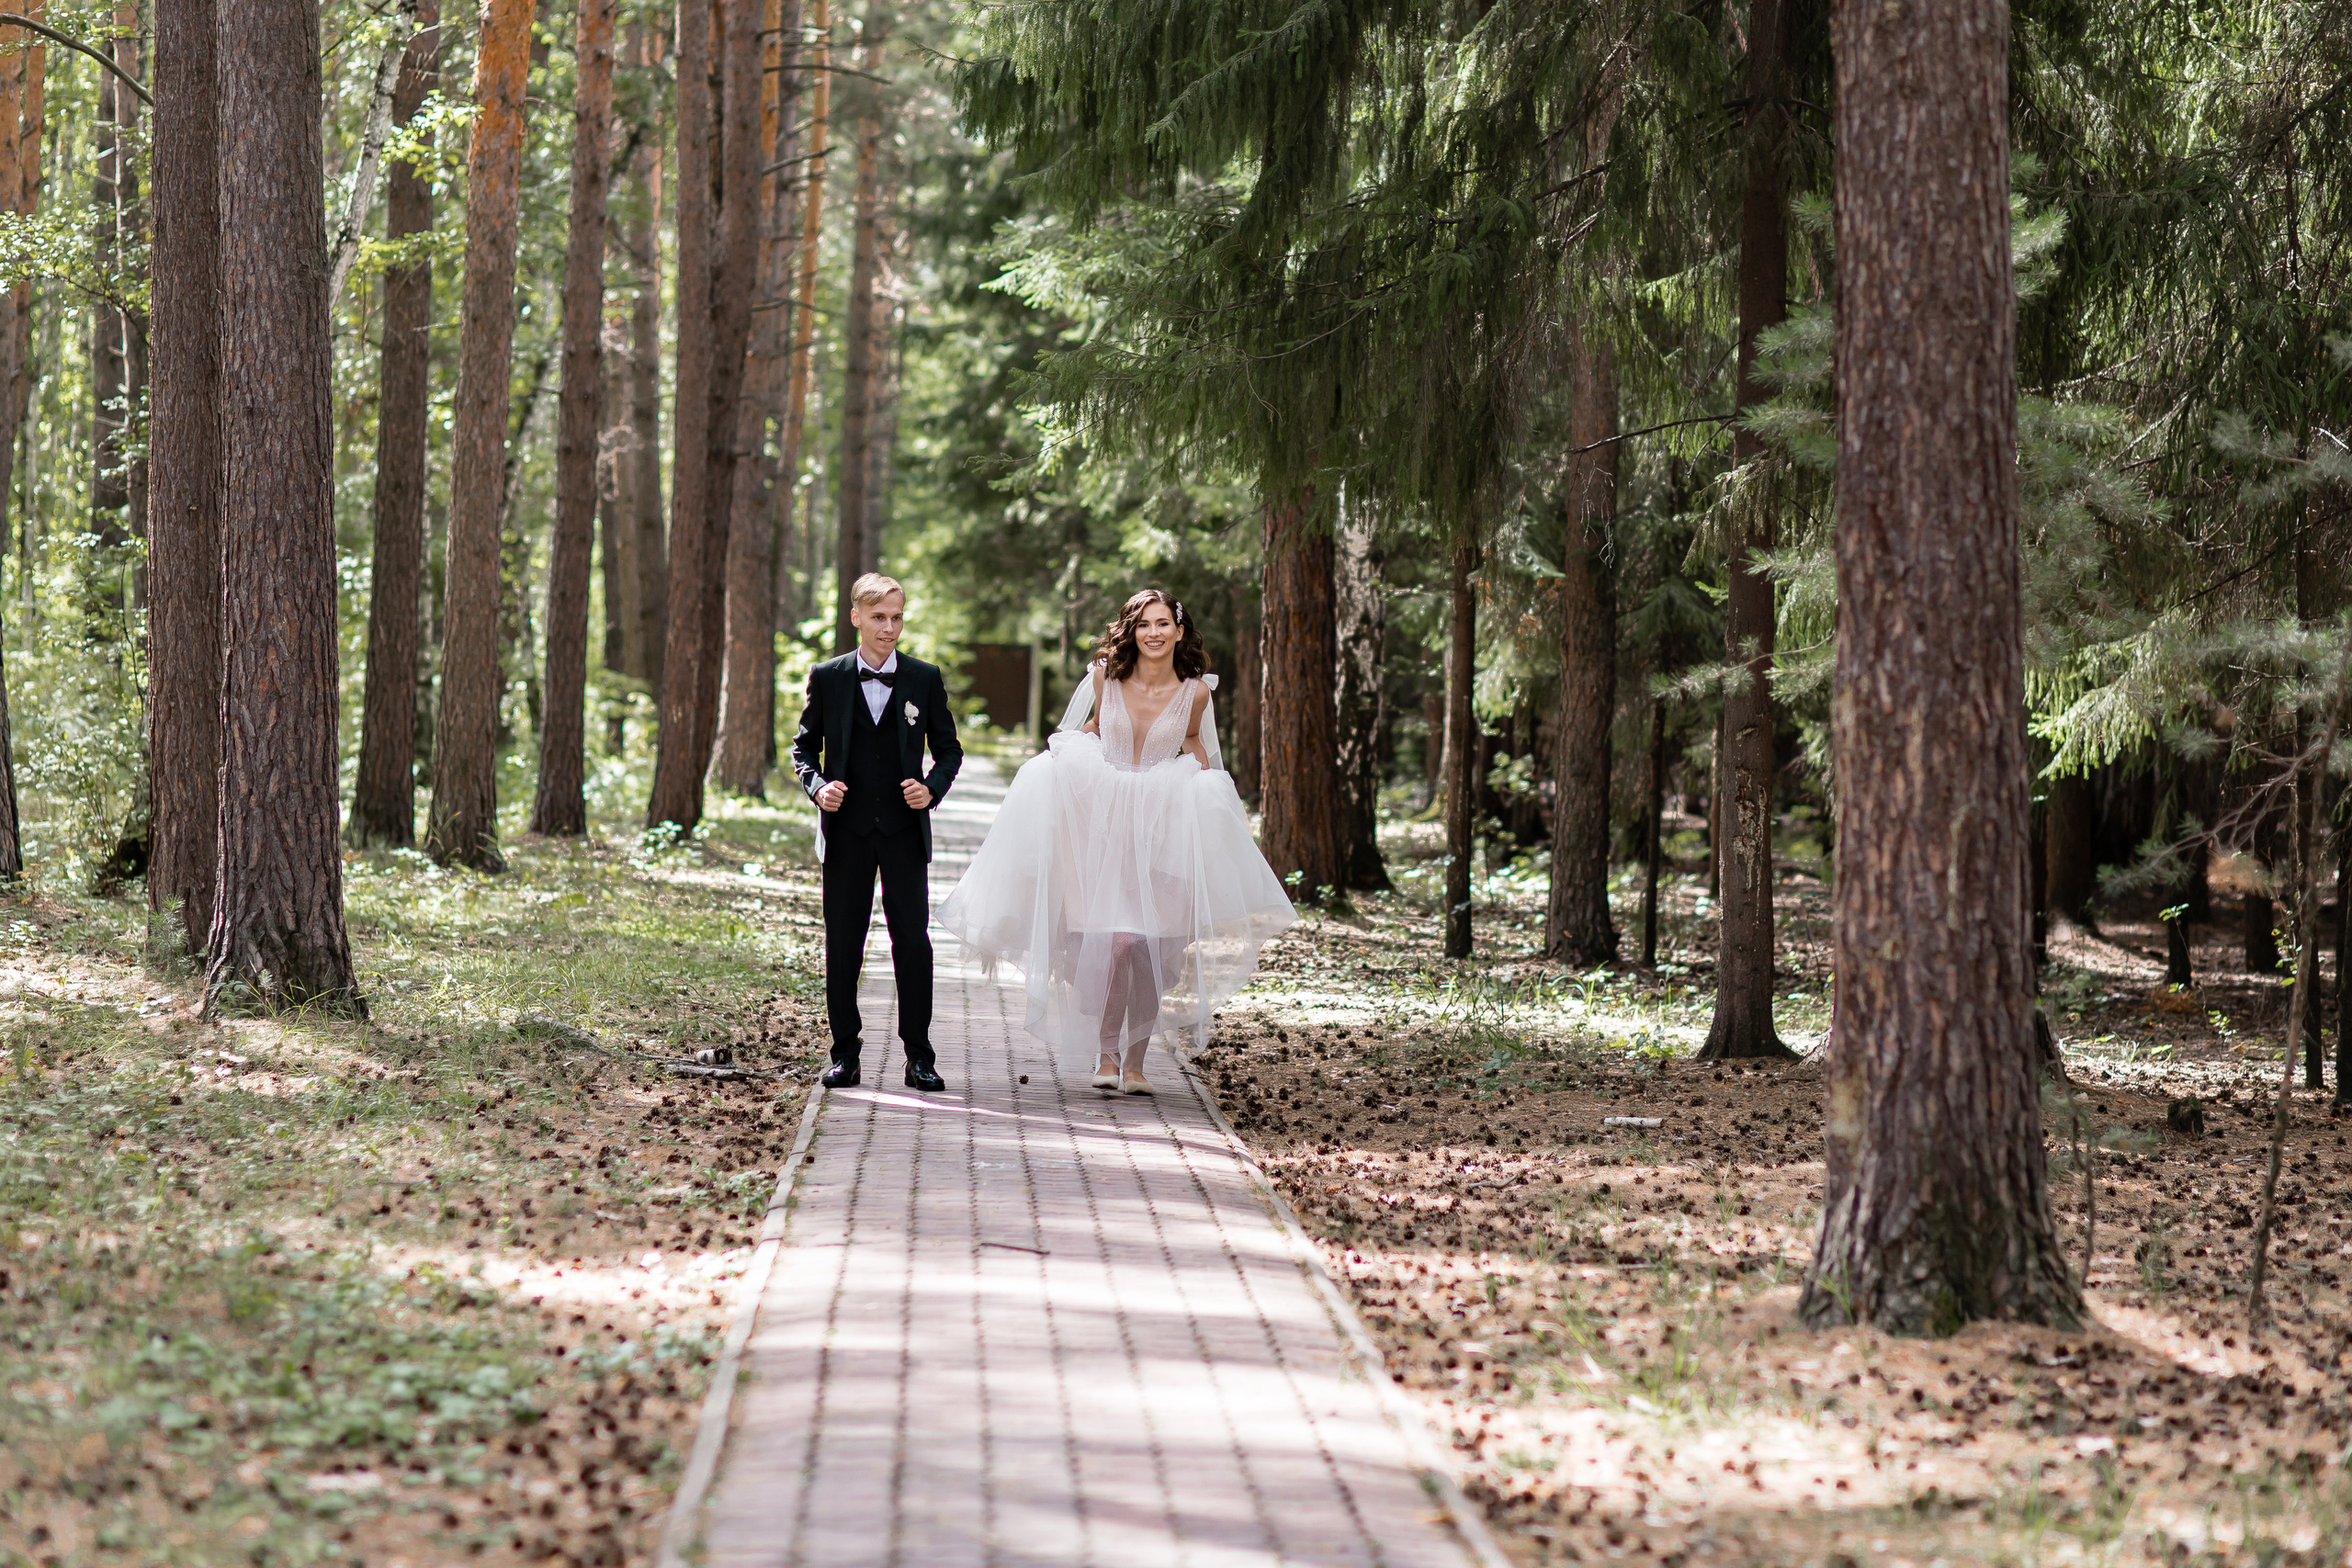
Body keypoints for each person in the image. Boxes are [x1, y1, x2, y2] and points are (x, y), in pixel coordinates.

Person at [938, 589, 1295, 1093]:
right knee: (1114, 942)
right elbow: (1094, 731)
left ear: (1179, 630)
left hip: (1161, 824)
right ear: (1133, 629)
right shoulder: (1107, 676)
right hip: (1103, 823)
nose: (1154, 633)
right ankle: (1106, 1057)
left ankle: (1136, 1065)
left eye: (1163, 624)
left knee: (1149, 947)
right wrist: (1061, 762)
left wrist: (1207, 797)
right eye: (1145, 624)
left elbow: (1193, 743)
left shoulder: (1195, 692)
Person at [791, 573, 963, 1091]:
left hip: (904, 830)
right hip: (846, 830)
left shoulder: (924, 678)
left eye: (897, 618)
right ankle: (845, 1053)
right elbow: (803, 750)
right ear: (857, 618)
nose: (890, 628)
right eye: (880, 617)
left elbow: (950, 750)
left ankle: (919, 1056)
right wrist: (818, 786)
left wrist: (930, 788)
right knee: (844, 943)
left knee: (913, 941)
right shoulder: (828, 676)